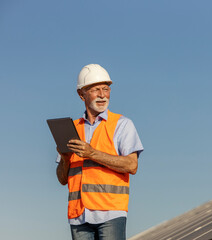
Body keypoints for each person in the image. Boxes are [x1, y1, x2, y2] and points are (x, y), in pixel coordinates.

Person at [56, 63, 144, 240]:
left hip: (110, 212)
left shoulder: (122, 124)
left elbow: (132, 165)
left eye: (106, 89)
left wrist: (92, 153)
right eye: (96, 90)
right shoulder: (72, 129)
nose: (103, 95)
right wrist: (65, 160)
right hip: (79, 216)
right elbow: (62, 179)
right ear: (82, 95)